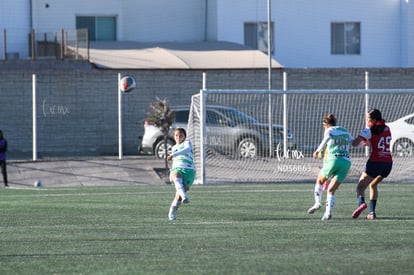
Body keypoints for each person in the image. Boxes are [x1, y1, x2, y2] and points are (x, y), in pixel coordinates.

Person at [307, 114, 353, 220]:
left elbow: (327, 138)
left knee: (319, 180)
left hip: (333, 160)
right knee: (331, 190)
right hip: (346, 162)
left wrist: (318, 150)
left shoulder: (329, 130)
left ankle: (317, 203)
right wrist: (367, 143)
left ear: (326, 124)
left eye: (324, 126)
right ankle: (327, 213)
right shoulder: (344, 130)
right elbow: (354, 142)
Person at [351, 109, 393, 220]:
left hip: (375, 163)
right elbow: (378, 141)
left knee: (360, 187)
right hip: (388, 164)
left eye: (368, 119)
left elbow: (354, 144)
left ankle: (361, 204)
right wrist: (367, 143)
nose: (366, 121)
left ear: (374, 120)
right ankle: (372, 213)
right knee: (373, 185)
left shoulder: (369, 130)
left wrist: (355, 139)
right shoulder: (387, 128)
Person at [167, 128, 195, 221]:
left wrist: (173, 155)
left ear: (185, 136)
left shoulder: (187, 143)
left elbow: (187, 149)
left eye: (181, 135)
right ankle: (184, 197)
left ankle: (172, 210)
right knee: (175, 176)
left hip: (189, 170)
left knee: (178, 196)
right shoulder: (173, 147)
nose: (178, 137)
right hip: (177, 169)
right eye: (176, 135)